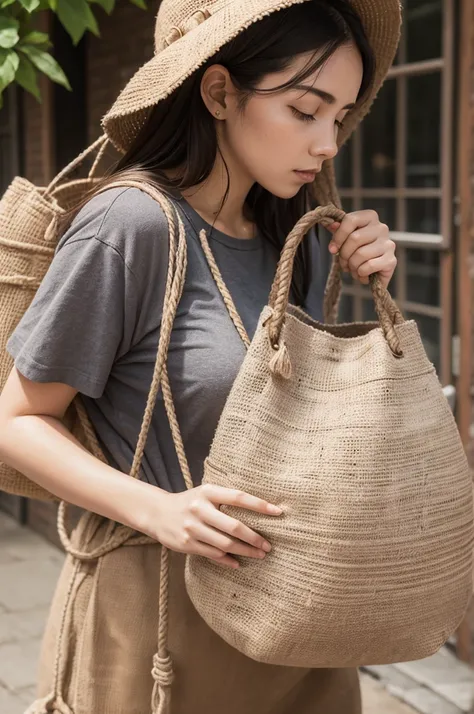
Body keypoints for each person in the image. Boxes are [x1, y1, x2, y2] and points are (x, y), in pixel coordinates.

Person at [0, 0, 401, 712]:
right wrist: (159, 510)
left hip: (301, 618)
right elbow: (18, 420)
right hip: (160, 616)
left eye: (338, 118)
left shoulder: (297, 239)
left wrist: (370, 284)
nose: (329, 142)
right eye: (306, 110)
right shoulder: (131, 226)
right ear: (219, 92)